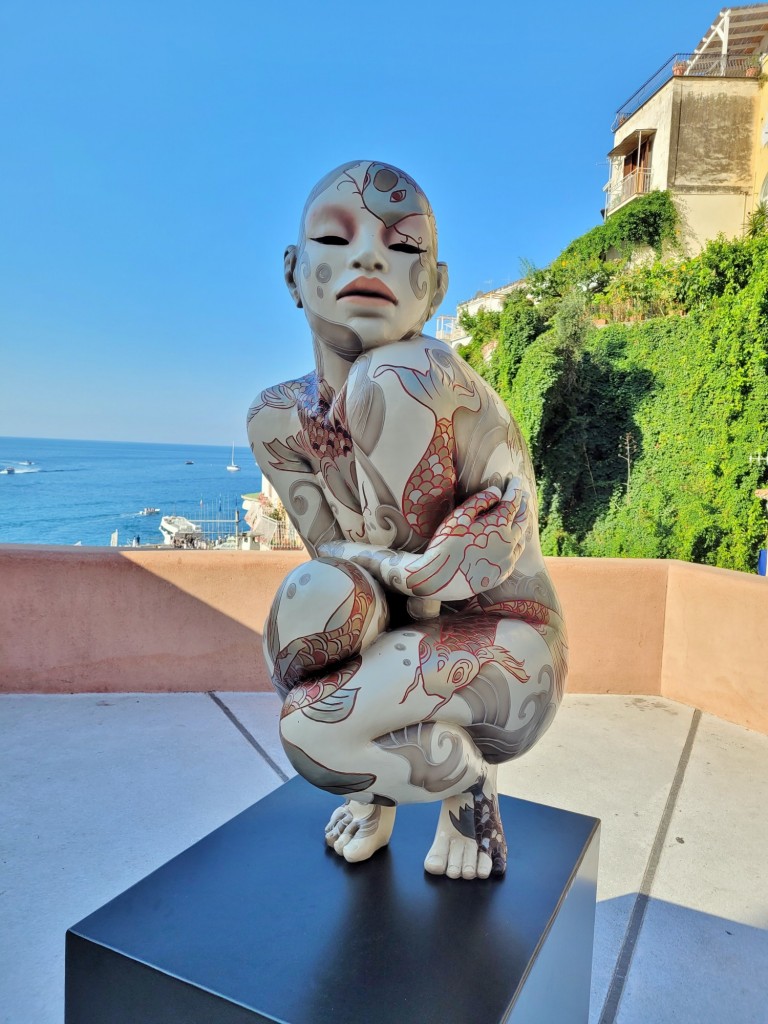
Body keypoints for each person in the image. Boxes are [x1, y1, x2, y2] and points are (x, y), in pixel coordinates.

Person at [247, 161, 567, 879]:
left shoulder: (418, 378)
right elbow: (342, 570)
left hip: (511, 652)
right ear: (294, 273)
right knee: (313, 606)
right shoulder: (276, 420)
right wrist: (396, 572)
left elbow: (438, 596)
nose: (368, 256)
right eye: (337, 238)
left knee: (314, 734)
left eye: (403, 246)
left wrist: (398, 576)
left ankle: (468, 791)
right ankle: (380, 790)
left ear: (436, 286)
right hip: (405, 634)